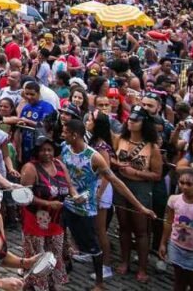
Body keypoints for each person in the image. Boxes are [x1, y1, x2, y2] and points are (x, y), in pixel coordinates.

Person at [60, 118, 156, 291]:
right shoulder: (64, 148)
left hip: (86, 209)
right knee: (62, 238)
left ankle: (99, 283)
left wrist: (140, 207)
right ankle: (64, 267)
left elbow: (116, 181)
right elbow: (62, 168)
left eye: (65, 132)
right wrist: (70, 190)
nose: (62, 134)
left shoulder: (94, 157)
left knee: (94, 246)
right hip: (67, 204)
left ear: (74, 135)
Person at [113, 105, 164, 281]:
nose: (131, 122)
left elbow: (157, 174)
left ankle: (142, 267)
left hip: (141, 187)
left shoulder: (152, 147)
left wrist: (136, 173)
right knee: (123, 225)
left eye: (136, 120)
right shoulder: (120, 138)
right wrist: (117, 164)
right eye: (130, 119)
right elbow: (111, 156)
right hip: (121, 184)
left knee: (141, 229)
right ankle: (124, 261)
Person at [19, 134, 74, 291]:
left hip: (56, 219)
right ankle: (34, 284)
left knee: (55, 252)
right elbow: (25, 196)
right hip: (35, 219)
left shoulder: (59, 164)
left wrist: (75, 195)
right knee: (37, 254)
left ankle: (51, 284)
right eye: (43, 150)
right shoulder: (30, 168)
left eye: (49, 150)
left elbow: (69, 185)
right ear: (37, 151)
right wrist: (48, 203)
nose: (47, 153)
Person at [159, 168, 193, 291]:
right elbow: (169, 221)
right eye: (181, 183)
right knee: (179, 280)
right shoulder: (174, 200)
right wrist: (163, 242)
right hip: (176, 245)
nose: (184, 187)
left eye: (189, 184)